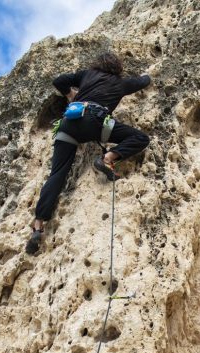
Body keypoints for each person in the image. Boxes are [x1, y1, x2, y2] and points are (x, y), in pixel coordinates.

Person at [27, 52, 152, 255]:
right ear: (117, 68)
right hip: (95, 123)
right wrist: (150, 74)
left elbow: (59, 80)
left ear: (98, 64)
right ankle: (108, 158)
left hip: (68, 124)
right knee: (140, 138)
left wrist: (70, 95)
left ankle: (38, 225)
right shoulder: (121, 84)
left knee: (57, 174)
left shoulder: (87, 75)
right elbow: (144, 80)